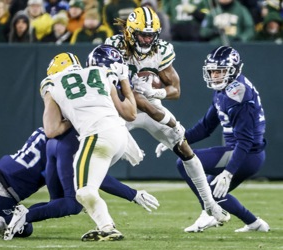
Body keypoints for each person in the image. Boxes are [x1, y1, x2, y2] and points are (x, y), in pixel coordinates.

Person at [105, 6, 230, 226]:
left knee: (183, 147)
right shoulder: (115, 47)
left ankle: (210, 203)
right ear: (130, 32)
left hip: (148, 101)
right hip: (120, 105)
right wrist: (162, 115)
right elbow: (118, 90)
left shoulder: (161, 50)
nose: (146, 40)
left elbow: (175, 90)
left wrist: (157, 92)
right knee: (101, 154)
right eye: (142, 35)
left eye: (151, 35)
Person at [156, 46, 270, 233]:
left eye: (220, 71)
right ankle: (254, 224)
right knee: (210, 191)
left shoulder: (238, 94)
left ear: (233, 70)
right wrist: (177, 140)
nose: (215, 75)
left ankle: (210, 212)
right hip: (242, 152)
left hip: (246, 154)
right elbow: (206, 127)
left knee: (185, 163)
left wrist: (229, 172)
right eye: (213, 71)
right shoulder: (225, 89)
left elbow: (245, 141)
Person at [38, 47, 140, 241]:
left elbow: (51, 130)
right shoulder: (101, 72)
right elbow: (131, 114)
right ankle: (106, 226)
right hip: (120, 135)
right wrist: (125, 79)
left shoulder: (51, 83)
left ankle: (108, 228)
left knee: (83, 191)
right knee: (89, 185)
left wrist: (72, 116)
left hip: (96, 135)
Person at [1, 127, 159, 240]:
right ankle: (22, 216)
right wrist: (132, 194)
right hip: (6, 188)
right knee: (71, 203)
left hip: (9, 175)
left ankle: (21, 216)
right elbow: (95, 175)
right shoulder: (76, 134)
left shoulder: (49, 127)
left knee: (57, 204)